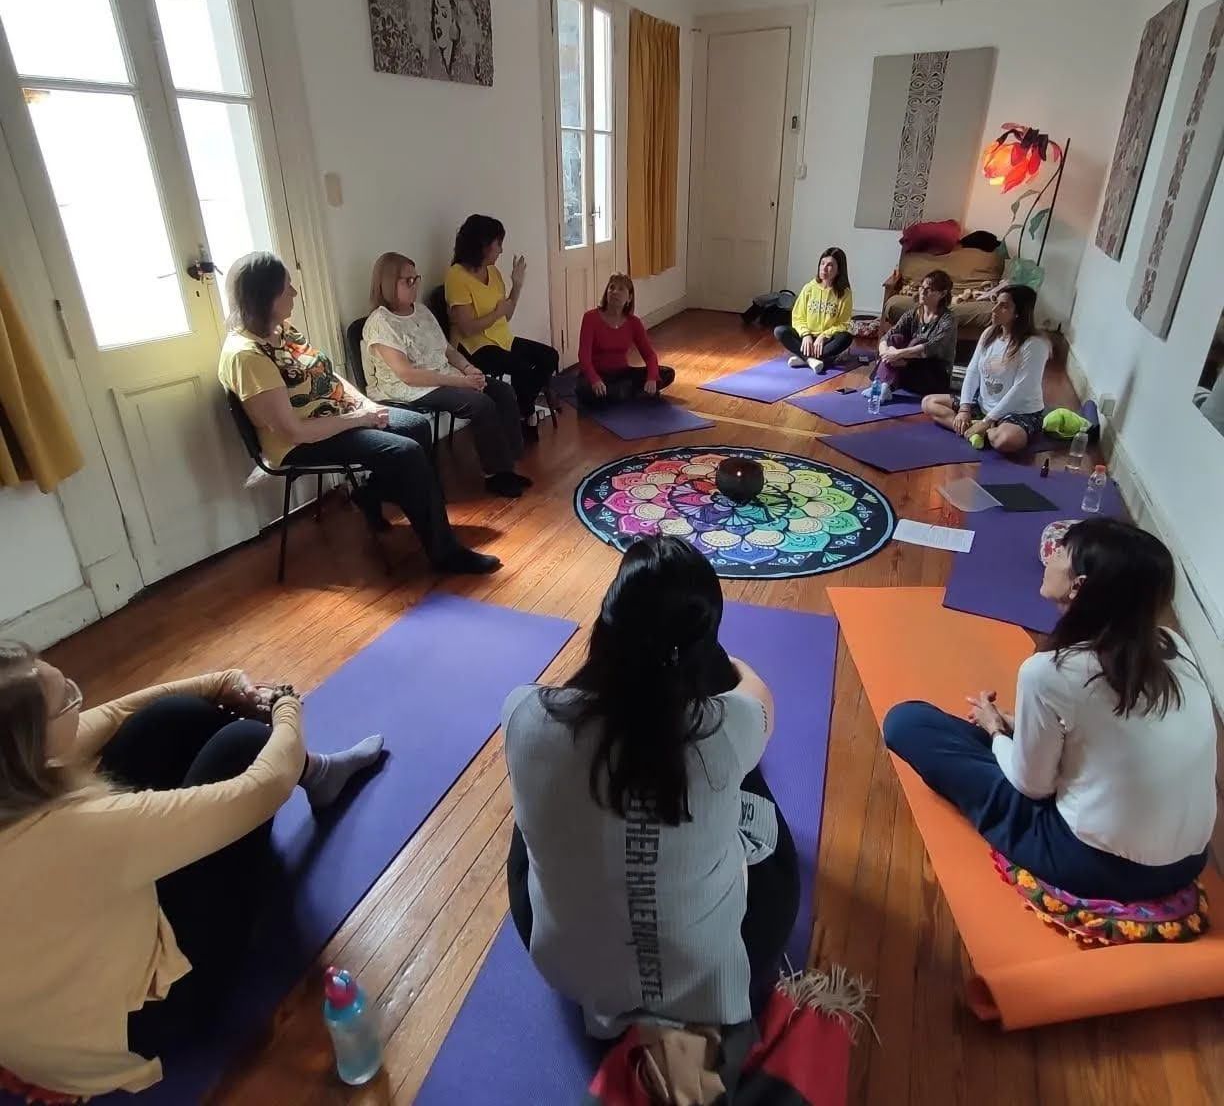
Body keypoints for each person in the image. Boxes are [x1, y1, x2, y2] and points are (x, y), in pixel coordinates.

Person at [0, 642, 384, 1097]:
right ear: (30, 741)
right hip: (139, 1028)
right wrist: (286, 706)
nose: (77, 700)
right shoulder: (70, 833)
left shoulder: (11, 774)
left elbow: (107, 717)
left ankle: (318, 773)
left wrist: (213, 684)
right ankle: (318, 775)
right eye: (65, 699)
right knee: (244, 745)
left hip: (66, 989)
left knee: (173, 716)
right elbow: (261, 787)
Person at [502, 536, 800, 1038]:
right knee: (743, 772)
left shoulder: (524, 713)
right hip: (713, 974)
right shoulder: (727, 729)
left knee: (535, 795)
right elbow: (757, 691)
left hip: (565, 969)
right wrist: (725, 665)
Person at [882, 520, 1216, 902]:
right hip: (1189, 861)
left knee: (908, 723)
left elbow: (1033, 787)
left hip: (1098, 865)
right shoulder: (1174, 645)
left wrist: (995, 729)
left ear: (1079, 586)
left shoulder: (1049, 672)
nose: (1052, 553)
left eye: (1062, 550)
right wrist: (1020, 726)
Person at [218, 251, 499, 574]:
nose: (294, 293)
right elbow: (293, 431)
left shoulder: (281, 330)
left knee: (416, 425)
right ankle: (444, 550)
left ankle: (377, 495)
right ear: (264, 296)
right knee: (405, 452)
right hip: (303, 442)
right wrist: (360, 419)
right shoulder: (247, 356)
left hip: (336, 417)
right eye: (287, 288)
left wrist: (367, 404)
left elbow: (325, 374)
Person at [363, 252, 529, 500]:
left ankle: (507, 465)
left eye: (415, 278)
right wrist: (461, 382)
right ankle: (495, 475)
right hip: (409, 387)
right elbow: (407, 375)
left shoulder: (421, 312)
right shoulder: (380, 322)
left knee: (502, 391)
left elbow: (448, 350)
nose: (414, 285)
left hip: (444, 376)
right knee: (480, 403)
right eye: (406, 281)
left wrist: (468, 369)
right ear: (387, 284)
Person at [445, 215, 560, 439]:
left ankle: (520, 411)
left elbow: (506, 317)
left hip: (502, 339)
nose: (501, 250)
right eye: (498, 244)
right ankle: (525, 416)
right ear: (483, 244)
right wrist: (497, 312)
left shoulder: (494, 273)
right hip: (473, 347)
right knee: (524, 369)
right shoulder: (456, 276)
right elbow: (468, 329)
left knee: (550, 357)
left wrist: (517, 286)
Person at [922, 283, 1048, 453]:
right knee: (929, 402)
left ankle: (978, 430)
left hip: (1017, 411)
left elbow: (1021, 389)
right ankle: (973, 430)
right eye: (996, 302)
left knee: (1006, 441)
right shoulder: (989, 333)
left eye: (1003, 306)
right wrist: (965, 408)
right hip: (983, 405)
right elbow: (973, 371)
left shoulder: (1035, 345)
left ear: (1019, 313)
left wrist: (987, 421)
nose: (994, 309)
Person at [575, 274, 676, 409]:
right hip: (597, 375)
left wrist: (652, 378)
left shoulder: (633, 322)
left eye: (621, 289)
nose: (614, 292)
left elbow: (649, 355)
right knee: (585, 391)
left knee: (666, 373)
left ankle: (624, 393)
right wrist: (595, 380)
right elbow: (584, 357)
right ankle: (630, 393)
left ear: (629, 298)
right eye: (611, 288)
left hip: (622, 374)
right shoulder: (590, 318)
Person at [868, 269, 956, 402]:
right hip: (908, 368)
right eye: (922, 287)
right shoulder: (913, 313)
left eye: (929, 289)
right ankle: (883, 386)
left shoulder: (948, 319)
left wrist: (899, 354)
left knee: (918, 341)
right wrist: (886, 353)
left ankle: (884, 383)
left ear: (943, 294)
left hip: (932, 375)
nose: (923, 292)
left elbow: (930, 348)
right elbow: (887, 336)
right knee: (894, 339)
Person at [774, 246, 854, 373]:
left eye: (830, 265)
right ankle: (813, 359)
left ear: (839, 270)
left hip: (826, 340)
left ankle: (804, 358)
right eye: (822, 263)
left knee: (846, 337)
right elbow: (797, 316)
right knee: (780, 331)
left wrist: (824, 336)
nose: (824, 268)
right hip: (807, 338)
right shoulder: (809, 288)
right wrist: (806, 335)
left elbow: (843, 323)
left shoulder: (845, 293)